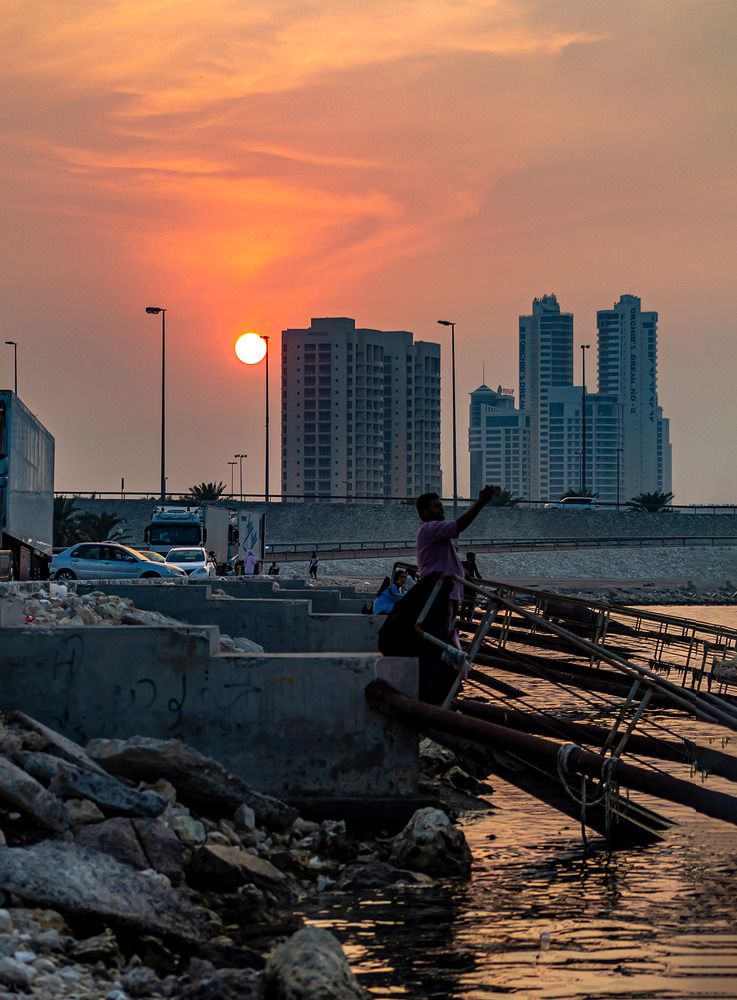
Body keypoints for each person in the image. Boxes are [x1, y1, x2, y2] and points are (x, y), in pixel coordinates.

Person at [416, 486, 500, 642]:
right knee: (442, 634)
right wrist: (480, 503)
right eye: (436, 506)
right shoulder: (430, 528)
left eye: (441, 505)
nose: (441, 508)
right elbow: (458, 526)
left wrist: (464, 574)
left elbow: (444, 559)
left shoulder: (435, 533)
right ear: (425, 512)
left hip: (448, 592)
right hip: (441, 593)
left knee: (446, 630)